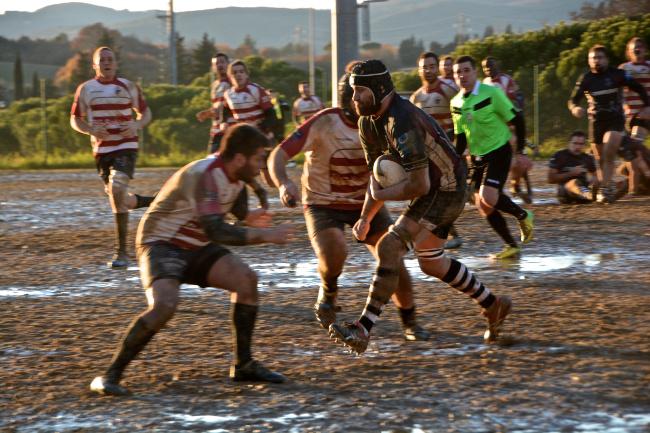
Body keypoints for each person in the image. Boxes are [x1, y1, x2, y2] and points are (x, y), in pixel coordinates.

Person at [89, 124, 293, 396]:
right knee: (164, 305)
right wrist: (265, 235)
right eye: (258, 158)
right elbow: (217, 230)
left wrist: (249, 216)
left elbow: (235, 206)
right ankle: (109, 376)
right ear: (240, 158)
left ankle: (243, 365)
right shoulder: (206, 175)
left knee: (247, 281)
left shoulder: (235, 174)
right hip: (162, 243)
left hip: (196, 244)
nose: (261, 165)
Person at [328, 60, 512, 355]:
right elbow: (379, 177)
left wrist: (382, 195)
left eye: (360, 91)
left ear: (378, 89)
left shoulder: (403, 120)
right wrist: (365, 215)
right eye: (352, 92)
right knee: (431, 262)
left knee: (389, 246)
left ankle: (363, 328)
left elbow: (419, 186)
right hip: (431, 187)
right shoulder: (367, 121)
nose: (354, 99)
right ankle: (493, 304)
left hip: (449, 188)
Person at [269, 72, 430, 342]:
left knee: (392, 258)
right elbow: (279, 154)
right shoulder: (324, 121)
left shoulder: (383, 124)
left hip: (366, 202)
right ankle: (329, 290)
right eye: (358, 95)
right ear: (349, 99)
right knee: (334, 252)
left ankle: (410, 321)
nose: (363, 100)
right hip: (322, 203)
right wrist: (284, 183)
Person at [70, 46, 155, 269]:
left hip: (126, 146)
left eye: (110, 59)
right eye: (102, 60)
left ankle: (122, 253)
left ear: (116, 64)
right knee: (120, 199)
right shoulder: (86, 89)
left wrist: (136, 124)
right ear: (95, 65)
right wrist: (90, 129)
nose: (107, 63)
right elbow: (75, 119)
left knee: (117, 186)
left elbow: (146, 113)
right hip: (102, 151)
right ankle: (153, 201)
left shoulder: (128, 86)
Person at [451, 55, 534, 260]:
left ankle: (524, 215)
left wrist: (521, 151)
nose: (462, 75)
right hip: (478, 157)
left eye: (466, 70)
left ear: (475, 72)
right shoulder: (456, 103)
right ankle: (511, 246)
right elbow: (460, 138)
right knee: (483, 205)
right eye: (458, 72)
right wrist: (453, 161)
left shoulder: (492, 93)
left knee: (488, 196)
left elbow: (518, 119)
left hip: (499, 150)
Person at [568, 44, 650, 203]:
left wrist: (647, 106)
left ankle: (606, 188)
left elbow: (639, 88)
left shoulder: (618, 75)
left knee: (610, 146)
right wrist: (575, 108)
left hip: (616, 119)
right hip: (596, 121)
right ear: (589, 61)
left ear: (606, 59)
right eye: (593, 58)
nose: (597, 61)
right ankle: (607, 186)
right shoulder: (586, 79)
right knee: (599, 159)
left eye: (600, 57)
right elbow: (573, 100)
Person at [195, 53, 269, 209]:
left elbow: (230, 108)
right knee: (219, 166)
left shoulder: (234, 81)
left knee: (225, 166)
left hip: (230, 133)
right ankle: (253, 193)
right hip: (216, 130)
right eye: (217, 63)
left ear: (228, 65)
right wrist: (209, 113)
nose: (219, 65)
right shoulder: (216, 85)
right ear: (213, 67)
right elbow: (221, 108)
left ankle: (237, 205)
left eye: (222, 62)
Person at [410, 51, 462, 249]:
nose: (428, 70)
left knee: (444, 193)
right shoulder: (416, 97)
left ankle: (449, 234)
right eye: (424, 67)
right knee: (429, 193)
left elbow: (462, 114)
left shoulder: (449, 90)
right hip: (428, 155)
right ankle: (450, 234)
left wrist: (459, 146)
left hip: (450, 152)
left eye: (432, 66)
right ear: (419, 70)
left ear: (436, 68)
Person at [218, 59, 278, 186]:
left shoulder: (255, 90)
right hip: (244, 137)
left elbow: (271, 113)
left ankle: (282, 189)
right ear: (230, 76)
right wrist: (223, 122)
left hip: (260, 134)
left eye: (241, 72)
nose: (238, 75)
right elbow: (226, 109)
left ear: (247, 74)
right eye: (234, 73)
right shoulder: (228, 94)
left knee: (266, 172)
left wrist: (262, 129)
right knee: (239, 166)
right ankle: (248, 193)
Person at [482, 56, 533, 204]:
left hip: (510, 125)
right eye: (485, 67)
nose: (488, 69)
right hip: (496, 128)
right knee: (503, 158)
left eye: (490, 66)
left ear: (496, 65)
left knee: (517, 156)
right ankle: (510, 187)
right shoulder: (484, 83)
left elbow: (519, 98)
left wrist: (514, 114)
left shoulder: (506, 80)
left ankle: (520, 186)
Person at [619, 37, 650, 194]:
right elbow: (618, 91)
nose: (637, 49)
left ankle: (636, 183)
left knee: (635, 145)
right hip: (631, 116)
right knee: (633, 148)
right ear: (628, 52)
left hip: (645, 114)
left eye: (640, 47)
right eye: (634, 48)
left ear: (645, 50)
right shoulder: (624, 68)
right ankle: (633, 179)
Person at [548, 131, 599, 203]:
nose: (578, 147)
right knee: (574, 182)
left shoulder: (587, 158)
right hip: (565, 193)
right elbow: (550, 179)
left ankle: (593, 195)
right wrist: (571, 173)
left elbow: (596, 176)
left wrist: (594, 180)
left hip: (584, 189)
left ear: (584, 145)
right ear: (569, 143)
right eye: (575, 143)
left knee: (600, 181)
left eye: (581, 144)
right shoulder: (559, 155)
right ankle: (588, 195)